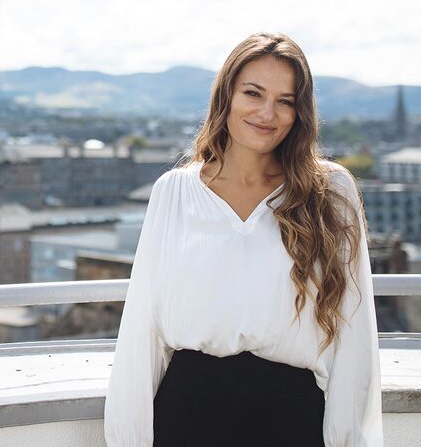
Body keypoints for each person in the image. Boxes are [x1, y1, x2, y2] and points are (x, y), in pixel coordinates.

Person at [104, 32, 383, 446]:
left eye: (285, 100)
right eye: (253, 93)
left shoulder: (331, 193)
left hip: (293, 419)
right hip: (186, 416)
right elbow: (142, 331)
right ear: (227, 96)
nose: (267, 112)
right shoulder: (174, 192)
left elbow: (354, 337)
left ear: (299, 112)